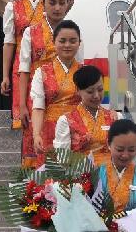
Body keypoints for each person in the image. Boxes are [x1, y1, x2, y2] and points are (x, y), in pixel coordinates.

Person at [1, 0, 49, 130]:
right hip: (22, 67)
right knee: (25, 118)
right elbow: (9, 43)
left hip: (47, 66)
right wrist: (5, 75)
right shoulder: (12, 7)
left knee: (48, 118)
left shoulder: (52, 5)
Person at [30, 20, 82, 166]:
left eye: (72, 41)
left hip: (78, 129)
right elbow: (38, 107)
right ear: (54, 42)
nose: (67, 45)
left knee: (79, 177)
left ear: (79, 43)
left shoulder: (85, 72)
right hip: (49, 130)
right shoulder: (41, 72)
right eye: (62, 41)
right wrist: (36, 134)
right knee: (51, 180)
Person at [53, 65, 121, 167]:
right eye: (90, 91)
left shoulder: (115, 117)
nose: (96, 96)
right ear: (78, 90)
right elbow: (62, 160)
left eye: (100, 89)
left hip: (111, 177)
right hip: (82, 177)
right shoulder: (66, 121)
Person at [95, 119, 136, 214]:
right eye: (120, 149)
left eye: (131, 150)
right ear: (109, 144)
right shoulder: (95, 174)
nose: (125, 155)